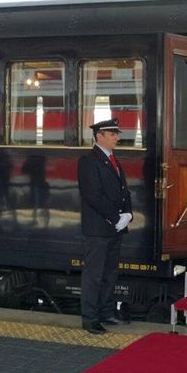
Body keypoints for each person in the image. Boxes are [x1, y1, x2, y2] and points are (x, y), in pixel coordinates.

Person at [77, 118, 132, 334]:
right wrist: (114, 217)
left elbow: (123, 190)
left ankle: (106, 312)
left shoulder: (113, 160)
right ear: (99, 135)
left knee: (110, 273)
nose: (117, 137)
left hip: (114, 227)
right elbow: (93, 196)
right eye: (112, 134)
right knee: (94, 275)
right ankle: (90, 318)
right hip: (99, 228)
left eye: (116, 134)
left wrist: (128, 213)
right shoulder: (89, 161)